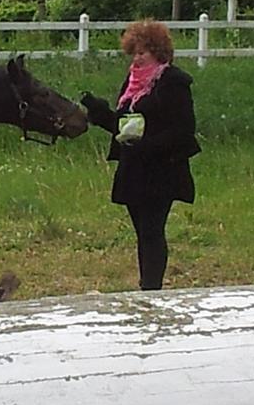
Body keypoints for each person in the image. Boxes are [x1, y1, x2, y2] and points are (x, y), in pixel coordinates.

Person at [80, 19, 201, 290]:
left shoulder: (174, 82)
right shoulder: (131, 84)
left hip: (163, 169)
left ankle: (151, 289)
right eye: (133, 52)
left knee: (151, 230)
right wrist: (101, 115)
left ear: (158, 53)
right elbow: (124, 127)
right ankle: (146, 285)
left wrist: (147, 145)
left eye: (142, 53)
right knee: (141, 232)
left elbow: (184, 130)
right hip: (134, 169)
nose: (136, 58)